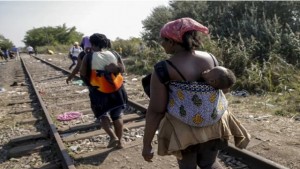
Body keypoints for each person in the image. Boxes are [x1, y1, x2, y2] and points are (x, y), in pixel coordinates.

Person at [142, 17, 250, 169]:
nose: (161, 44)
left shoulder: (163, 68)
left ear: (172, 41)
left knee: (187, 166)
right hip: (213, 123)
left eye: (163, 40)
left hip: (184, 130)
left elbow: (156, 111)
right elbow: (223, 88)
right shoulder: (210, 58)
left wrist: (146, 144)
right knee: (209, 163)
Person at [80, 33, 128, 149]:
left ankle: (113, 137)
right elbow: (123, 69)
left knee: (102, 115)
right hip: (116, 90)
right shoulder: (114, 54)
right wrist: (114, 69)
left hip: (98, 91)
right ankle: (120, 142)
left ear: (93, 43)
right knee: (117, 116)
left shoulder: (89, 56)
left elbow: (82, 73)